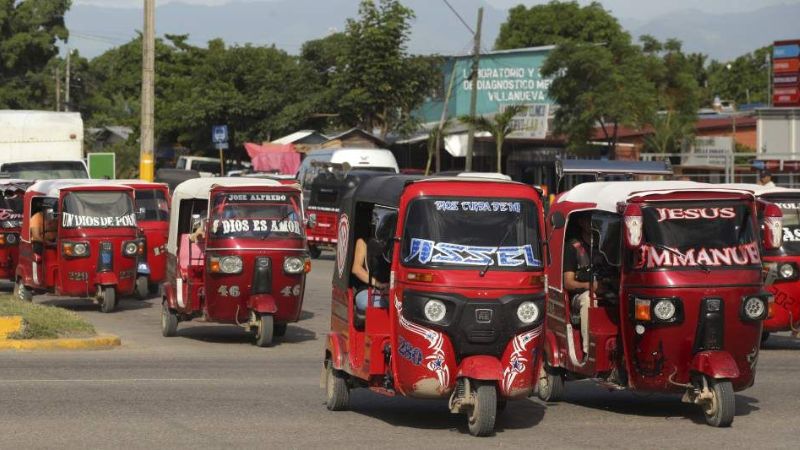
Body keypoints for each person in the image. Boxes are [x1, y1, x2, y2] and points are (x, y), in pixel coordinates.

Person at [563, 214, 602, 355]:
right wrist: (590, 286)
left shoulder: (606, 246)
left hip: (606, 291)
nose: (592, 222)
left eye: (595, 218)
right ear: (580, 221)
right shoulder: (573, 247)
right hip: (579, 296)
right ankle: (589, 351)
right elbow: (567, 282)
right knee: (588, 299)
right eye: (588, 219)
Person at [352, 210, 395, 313]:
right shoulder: (363, 243)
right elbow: (356, 269)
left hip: (392, 291)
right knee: (377, 304)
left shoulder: (398, 247)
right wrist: (379, 285)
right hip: (369, 290)